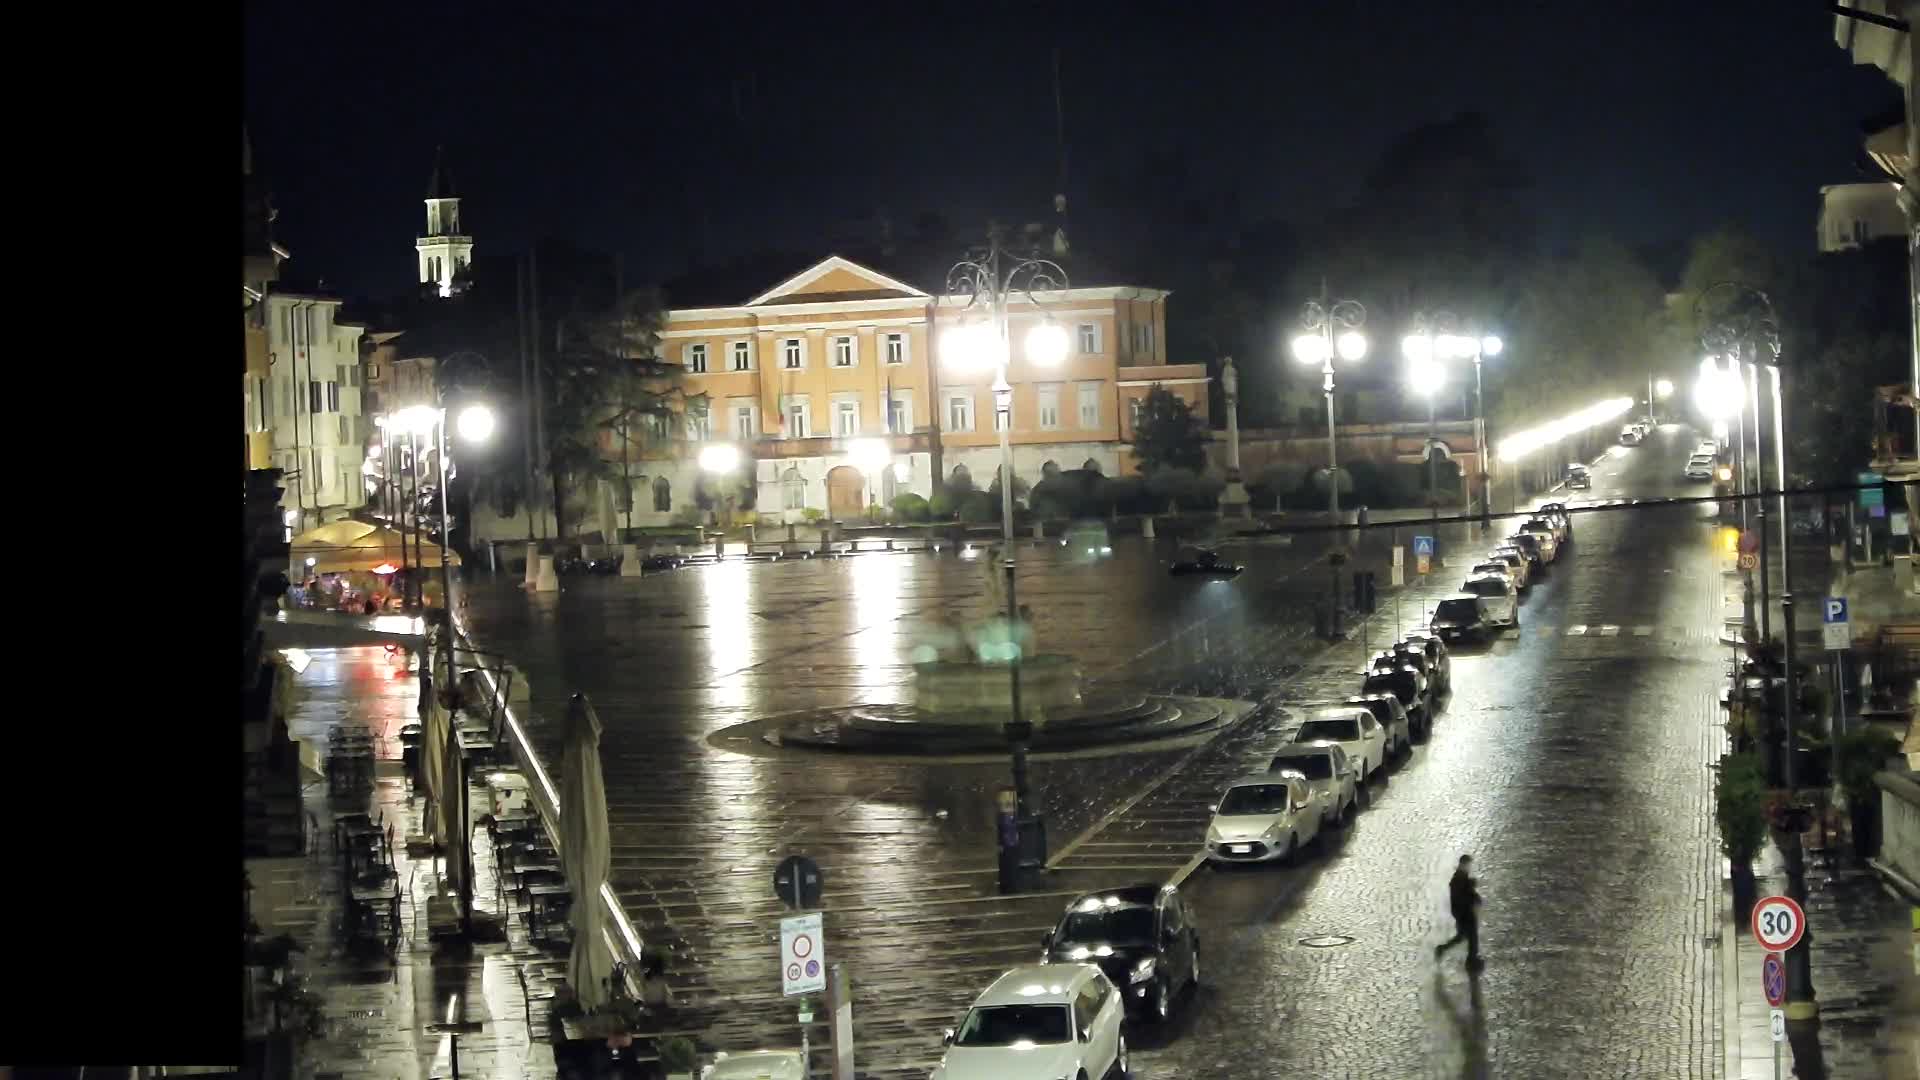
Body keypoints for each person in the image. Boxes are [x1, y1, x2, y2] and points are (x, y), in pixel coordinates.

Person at [1434, 854, 1483, 969]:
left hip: (1462, 912)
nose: (1469, 867)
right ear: (1463, 864)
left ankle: (1442, 949)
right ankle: (1472, 960)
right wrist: (1472, 893)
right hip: (1464, 912)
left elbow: (1466, 890)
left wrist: (1471, 887)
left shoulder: (1462, 876)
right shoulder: (1458, 878)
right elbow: (1462, 894)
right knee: (1472, 936)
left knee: (1462, 936)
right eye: (1468, 864)